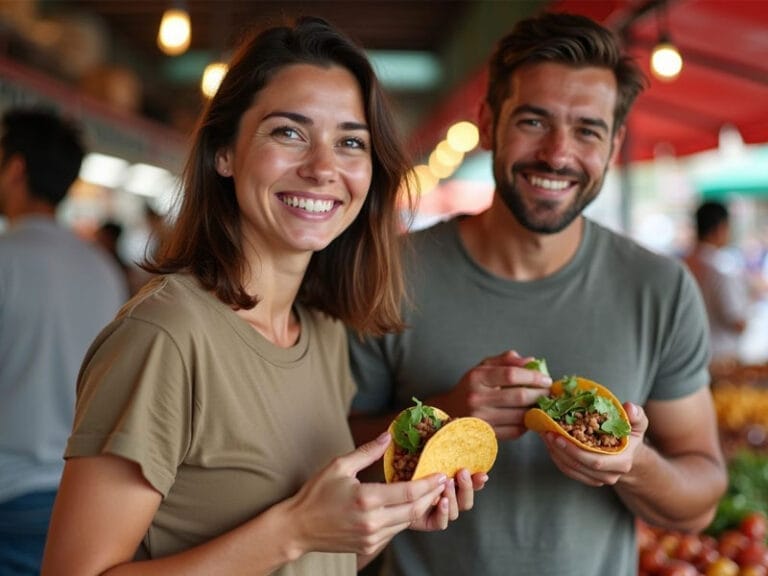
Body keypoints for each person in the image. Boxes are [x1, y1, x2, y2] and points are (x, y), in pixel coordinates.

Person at [41, 17, 484, 576]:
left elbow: (315, 558)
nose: (323, 168)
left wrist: (382, 518)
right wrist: (293, 528)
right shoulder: (166, 337)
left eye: (350, 142)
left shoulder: (322, 331)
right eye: (289, 132)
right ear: (224, 153)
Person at [348, 12, 727, 576]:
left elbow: (700, 502)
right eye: (533, 121)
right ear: (487, 119)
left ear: (615, 141)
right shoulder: (388, 272)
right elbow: (326, 467)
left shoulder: (660, 289)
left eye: (588, 131)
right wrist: (444, 416)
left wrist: (632, 463)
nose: (557, 153)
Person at [0, 107, 128, 574]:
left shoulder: (5, 260)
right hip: (80, 491)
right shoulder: (102, 269)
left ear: (15, 169)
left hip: (8, 494)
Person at [684, 200, 752, 365]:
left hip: (686, 356)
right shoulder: (721, 268)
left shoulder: (682, 263)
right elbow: (737, 322)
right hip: (721, 359)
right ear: (720, 228)